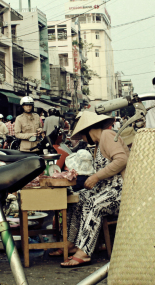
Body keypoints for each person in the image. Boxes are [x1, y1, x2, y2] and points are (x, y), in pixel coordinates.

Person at [55, 112, 129, 268]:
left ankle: (84, 252)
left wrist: (96, 177)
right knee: (77, 198)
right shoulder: (97, 144)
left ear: (88, 130)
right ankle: (71, 243)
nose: (82, 139)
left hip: (122, 191)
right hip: (107, 189)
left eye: (82, 135)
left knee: (93, 204)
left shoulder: (107, 135)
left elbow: (122, 160)